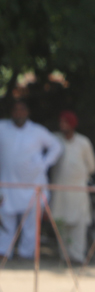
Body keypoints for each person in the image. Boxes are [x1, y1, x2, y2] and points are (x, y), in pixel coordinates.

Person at [0, 100, 62, 260]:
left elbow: (56, 147)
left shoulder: (37, 131)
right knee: (5, 220)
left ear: (27, 112)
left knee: (31, 224)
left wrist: (44, 163)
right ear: (11, 112)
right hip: (8, 185)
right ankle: (4, 252)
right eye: (16, 110)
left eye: (22, 109)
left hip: (33, 185)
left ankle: (26, 254)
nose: (19, 113)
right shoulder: (2, 128)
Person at [50, 111, 95, 264]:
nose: (62, 125)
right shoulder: (55, 139)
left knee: (79, 224)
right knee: (61, 222)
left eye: (65, 122)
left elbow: (92, 167)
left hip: (78, 190)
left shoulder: (83, 142)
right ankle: (64, 256)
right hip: (60, 190)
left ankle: (77, 256)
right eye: (61, 122)